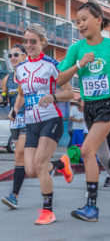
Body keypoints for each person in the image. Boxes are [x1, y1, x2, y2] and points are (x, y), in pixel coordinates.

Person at [57, 0, 110, 222]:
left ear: (98, 20)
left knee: (87, 150)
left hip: (109, 104)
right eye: (77, 21)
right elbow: (60, 78)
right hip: (89, 107)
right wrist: (80, 65)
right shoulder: (76, 49)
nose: (80, 25)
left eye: (84, 19)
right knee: (102, 155)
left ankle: (92, 207)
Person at [11, 23, 74, 224]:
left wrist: (54, 97)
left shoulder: (52, 65)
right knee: (30, 169)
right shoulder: (20, 68)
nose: (28, 45)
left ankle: (48, 211)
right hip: (31, 124)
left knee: (39, 164)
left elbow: (70, 93)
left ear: (43, 42)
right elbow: (22, 92)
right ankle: (60, 164)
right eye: (26, 41)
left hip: (51, 119)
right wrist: (15, 109)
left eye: (33, 41)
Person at [1, 44, 27, 209]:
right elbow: (4, 96)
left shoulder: (29, 74)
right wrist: (3, 98)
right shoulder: (7, 79)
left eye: (16, 54)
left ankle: (14, 195)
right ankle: (61, 164)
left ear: (24, 56)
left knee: (19, 155)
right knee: (27, 162)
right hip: (14, 121)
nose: (13, 58)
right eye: (10, 55)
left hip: (30, 119)